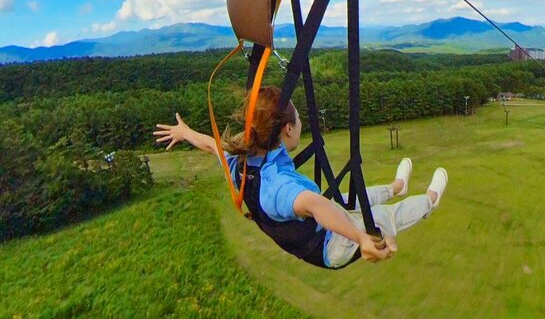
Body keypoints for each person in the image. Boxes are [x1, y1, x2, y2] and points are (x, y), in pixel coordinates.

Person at [153, 86, 448, 268]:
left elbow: (212, 145)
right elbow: (315, 205)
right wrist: (360, 238)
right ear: (288, 130)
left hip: (318, 227)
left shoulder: (241, 159)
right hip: (330, 247)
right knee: (382, 219)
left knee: (351, 199)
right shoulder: (277, 187)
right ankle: (430, 201)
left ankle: (398, 186)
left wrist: (185, 133)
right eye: (299, 121)